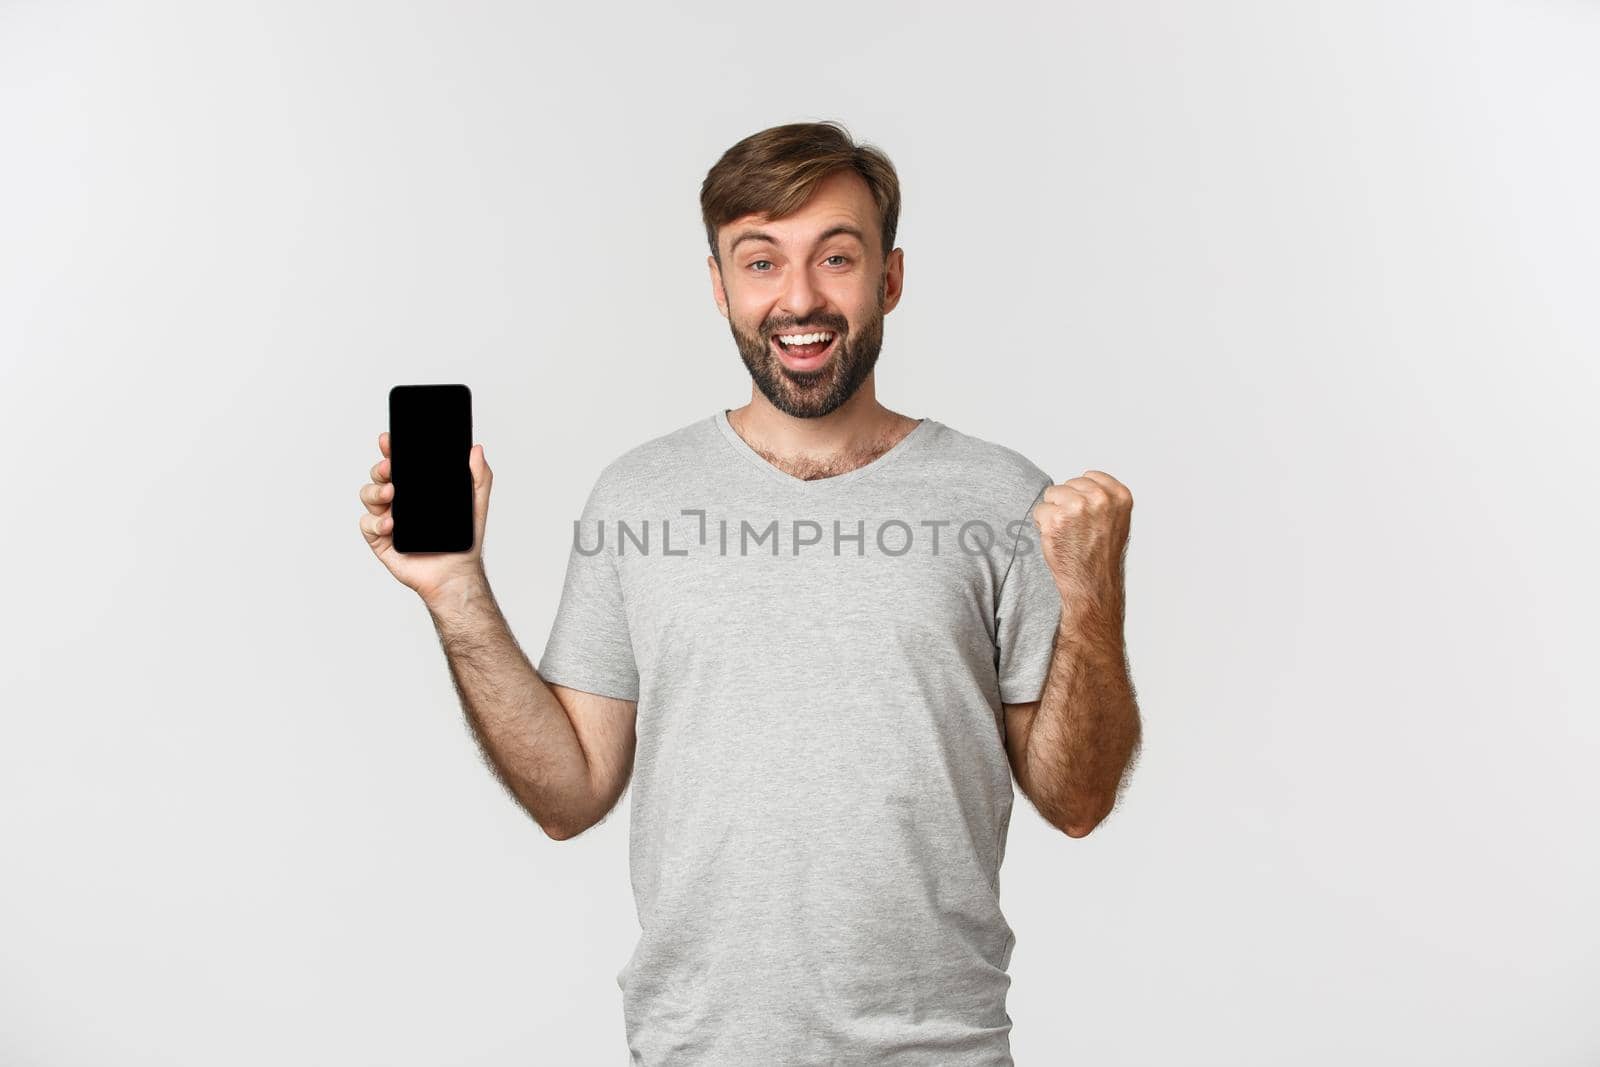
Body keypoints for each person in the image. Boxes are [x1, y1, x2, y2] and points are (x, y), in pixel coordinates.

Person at [358, 120, 1142, 1065]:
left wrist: (1095, 596)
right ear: (720, 286)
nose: (799, 297)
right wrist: (455, 591)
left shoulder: (1002, 495)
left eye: (836, 258)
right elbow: (569, 793)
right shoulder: (638, 497)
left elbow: (1078, 798)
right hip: (696, 1049)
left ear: (889, 279)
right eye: (760, 262)